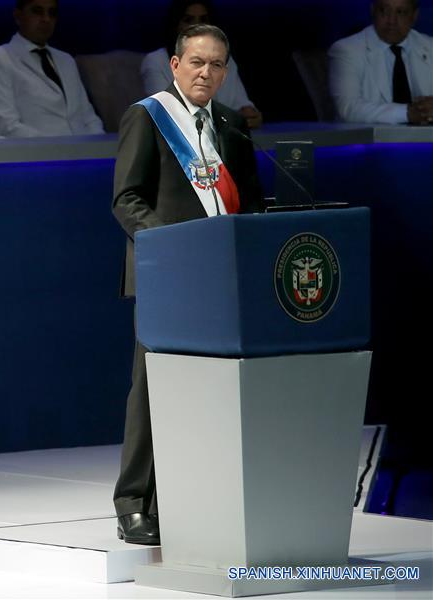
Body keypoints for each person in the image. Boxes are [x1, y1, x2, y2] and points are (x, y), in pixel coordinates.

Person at [112, 24, 262, 545]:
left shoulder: (230, 124)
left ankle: (192, 500)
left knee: (211, 390)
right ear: (175, 65)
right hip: (168, 276)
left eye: (216, 64)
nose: (205, 73)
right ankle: (134, 503)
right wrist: (172, 248)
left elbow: (251, 201)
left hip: (222, 277)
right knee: (153, 389)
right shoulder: (148, 116)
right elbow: (127, 199)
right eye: (197, 62)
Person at [0, 0, 104, 137]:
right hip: (39, 148)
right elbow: (7, 126)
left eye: (52, 13)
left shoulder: (66, 60)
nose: (46, 19)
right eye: (37, 11)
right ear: (18, 16)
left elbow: (89, 118)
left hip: (86, 146)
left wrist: (99, 144)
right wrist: (59, 147)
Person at [141, 0, 262, 129]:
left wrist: (249, 115)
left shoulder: (224, 59)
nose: (197, 26)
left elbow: (241, 105)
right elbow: (167, 113)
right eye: (188, 20)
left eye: (203, 20)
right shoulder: (155, 60)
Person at [328, 0, 433, 124]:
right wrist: (408, 113)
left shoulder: (429, 46)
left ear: (414, 16)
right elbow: (347, 109)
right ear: (373, 11)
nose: (392, 21)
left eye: (401, 12)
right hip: (368, 136)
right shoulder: (347, 50)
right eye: (384, 10)